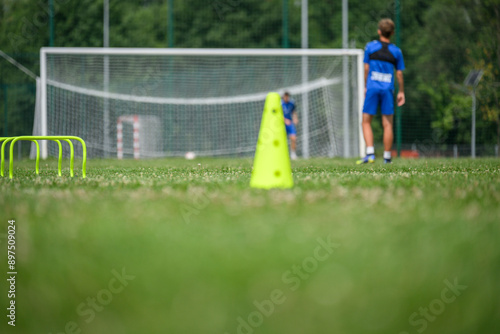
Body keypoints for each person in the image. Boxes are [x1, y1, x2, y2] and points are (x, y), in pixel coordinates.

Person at [357, 18, 405, 164]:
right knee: (388, 124)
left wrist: (366, 85)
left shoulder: (370, 47)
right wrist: (401, 91)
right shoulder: (396, 51)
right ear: (392, 33)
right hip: (387, 90)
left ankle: (370, 153)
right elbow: (399, 74)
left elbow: (366, 69)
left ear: (379, 31)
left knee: (366, 121)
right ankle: (387, 157)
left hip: (372, 87)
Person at [282, 92, 299, 160]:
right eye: (285, 97)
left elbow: (293, 111)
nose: (286, 98)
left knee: (293, 138)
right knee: (282, 140)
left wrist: (295, 118)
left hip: (290, 123)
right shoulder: (280, 104)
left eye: (287, 96)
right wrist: (285, 120)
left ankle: (293, 154)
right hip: (281, 124)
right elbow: (277, 114)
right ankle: (282, 154)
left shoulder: (291, 103)